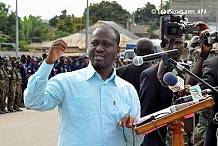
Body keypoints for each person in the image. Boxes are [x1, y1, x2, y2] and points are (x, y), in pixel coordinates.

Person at [24, 25, 144, 146]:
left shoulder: (127, 90)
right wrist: (48, 62)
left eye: (106, 44)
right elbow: (33, 101)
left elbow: (135, 142)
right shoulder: (66, 82)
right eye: (94, 43)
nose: (99, 48)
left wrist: (130, 128)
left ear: (117, 50)